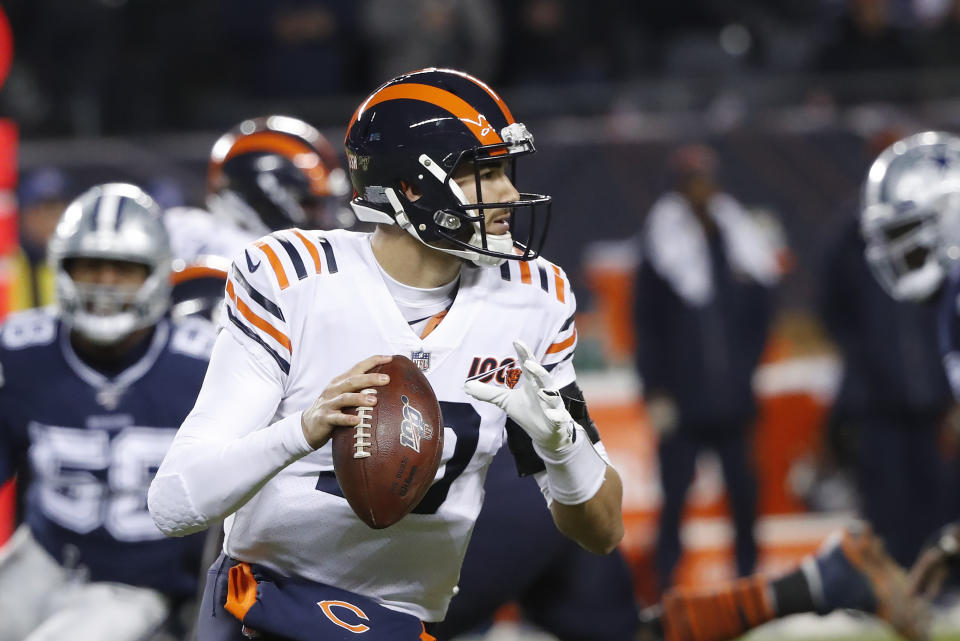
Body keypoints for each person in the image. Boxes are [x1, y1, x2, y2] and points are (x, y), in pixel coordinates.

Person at [147, 68, 928, 641]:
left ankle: (814, 584)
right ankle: (812, 585)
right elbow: (174, 501)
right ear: (410, 190)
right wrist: (305, 427)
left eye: (503, 170)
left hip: (409, 604)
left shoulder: (531, 297)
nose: (506, 194)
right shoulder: (290, 275)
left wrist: (560, 443)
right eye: (481, 172)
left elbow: (601, 525)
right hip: (271, 602)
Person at [0, 182, 216, 641]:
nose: (105, 284)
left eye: (123, 269)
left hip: (138, 583)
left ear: (156, 275)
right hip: (46, 555)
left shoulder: (202, 364)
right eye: (90, 267)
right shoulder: (22, 353)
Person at [634, 142, 780, 593]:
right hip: (681, 399)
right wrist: (656, 389)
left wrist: (745, 366)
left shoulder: (735, 239)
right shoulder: (660, 245)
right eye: (691, 181)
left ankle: (749, 578)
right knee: (675, 495)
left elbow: (762, 307)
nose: (701, 189)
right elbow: (647, 325)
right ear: (678, 188)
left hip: (732, 395)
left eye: (706, 180)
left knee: (743, 493)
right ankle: (665, 585)